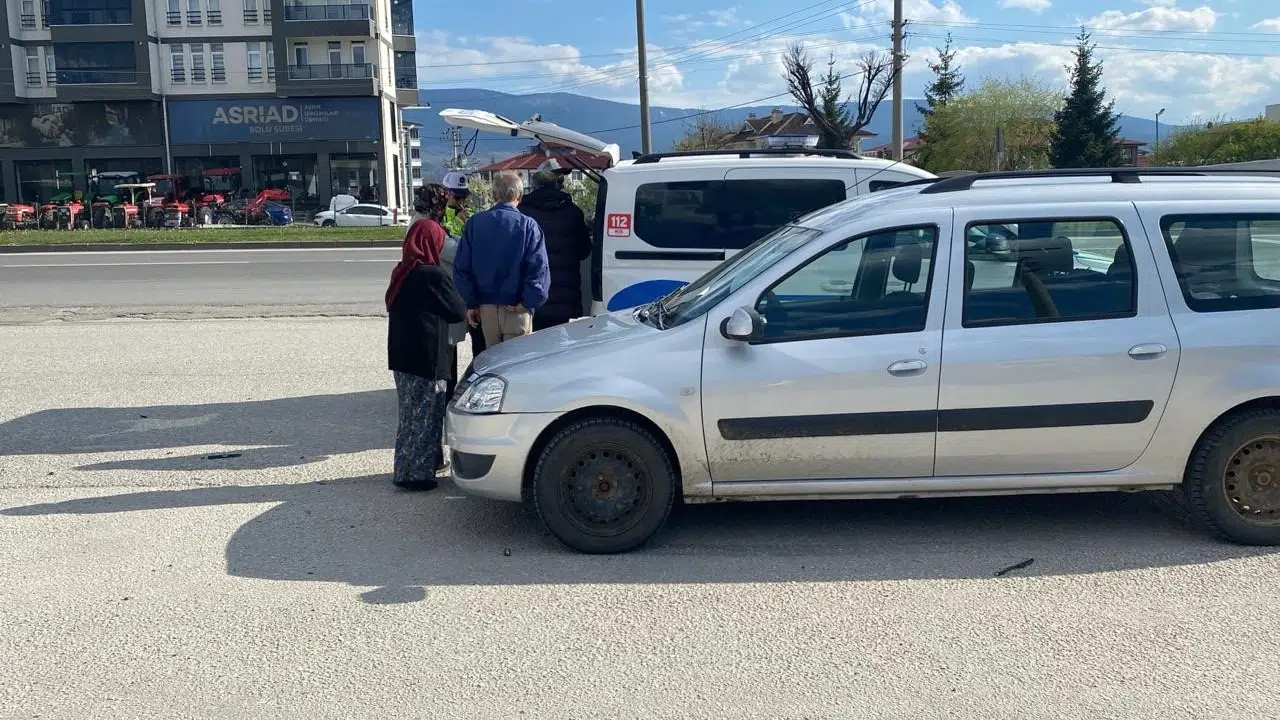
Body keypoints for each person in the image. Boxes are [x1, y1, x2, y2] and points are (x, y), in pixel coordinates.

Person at [385, 185, 467, 491]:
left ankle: (405, 468)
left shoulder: (402, 271)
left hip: (402, 355)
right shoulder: (433, 274)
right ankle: (417, 476)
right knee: (427, 415)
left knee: (408, 417)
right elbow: (457, 311)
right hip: (428, 355)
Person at [453, 171, 550, 348]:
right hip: (517, 308)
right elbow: (539, 270)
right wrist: (528, 302)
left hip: (485, 308)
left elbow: (462, 269)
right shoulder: (529, 226)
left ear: (493, 195)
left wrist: (472, 302)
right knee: (515, 367)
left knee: (489, 365)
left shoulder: (475, 223)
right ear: (519, 195)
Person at [519, 159, 592, 331]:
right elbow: (584, 251)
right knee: (559, 350)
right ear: (558, 183)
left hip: (533, 296)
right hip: (565, 299)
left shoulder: (523, 212)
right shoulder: (573, 212)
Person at [441, 170, 486, 356]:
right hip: (449, 280)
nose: (460, 202)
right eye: (457, 197)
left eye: (463, 197)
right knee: (450, 343)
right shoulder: (440, 214)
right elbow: (445, 237)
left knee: (479, 338)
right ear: (447, 194)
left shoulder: (472, 213)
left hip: (470, 282)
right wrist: (458, 221)